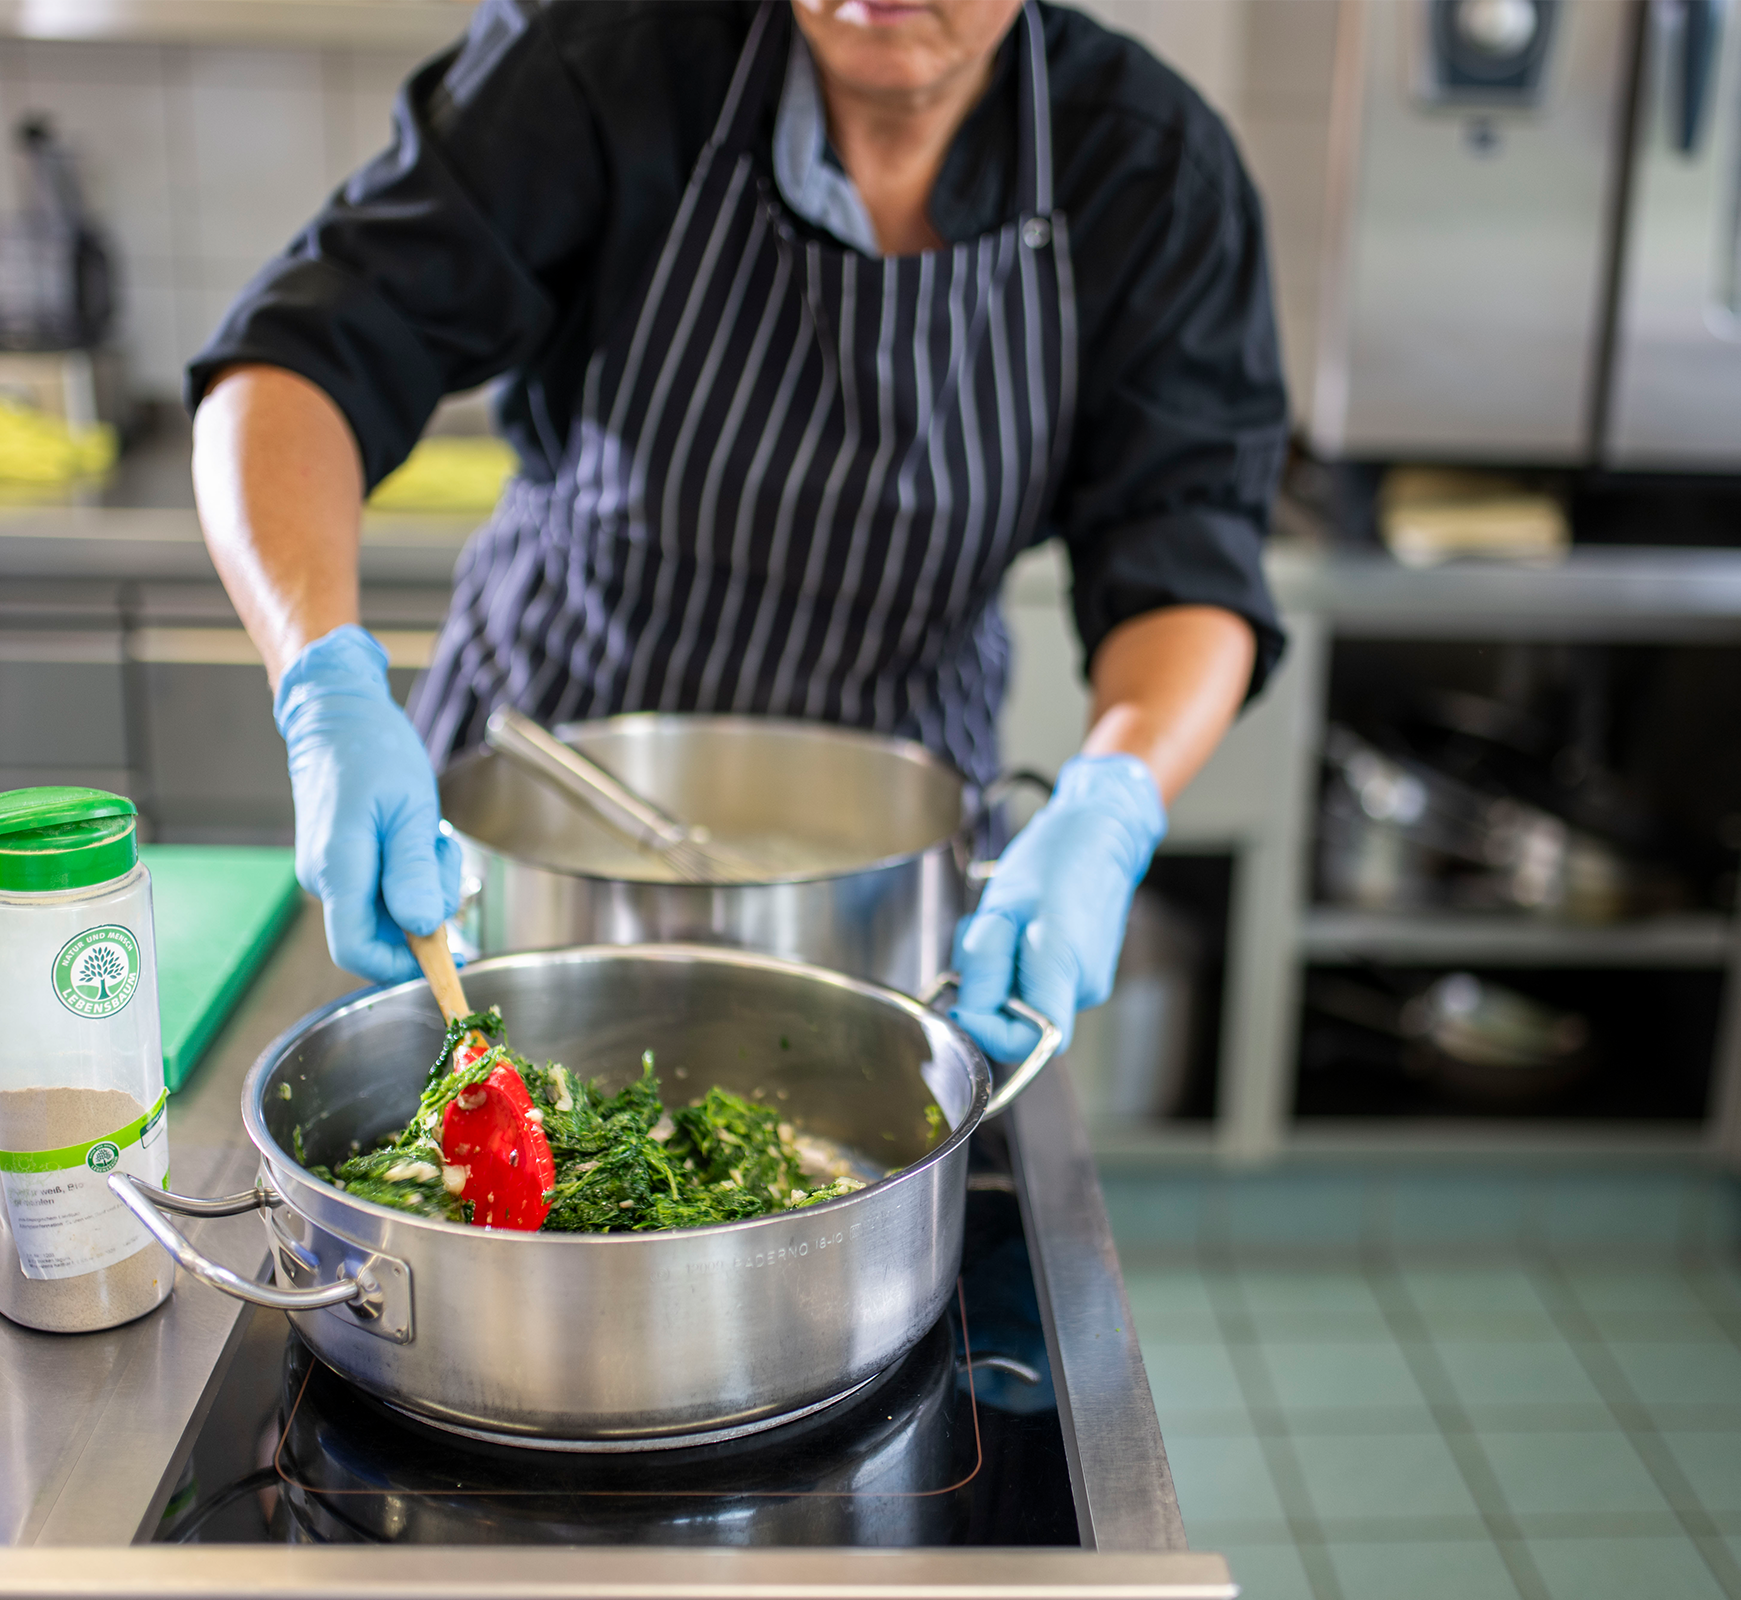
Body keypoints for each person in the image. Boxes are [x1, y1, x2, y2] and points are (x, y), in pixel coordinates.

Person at [188, 0, 1286, 1064]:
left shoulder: (1149, 169)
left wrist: (1113, 796)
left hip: (887, 872)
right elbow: (296, 364)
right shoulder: (602, 52)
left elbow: (1183, 542)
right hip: (536, 799)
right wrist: (322, 685)